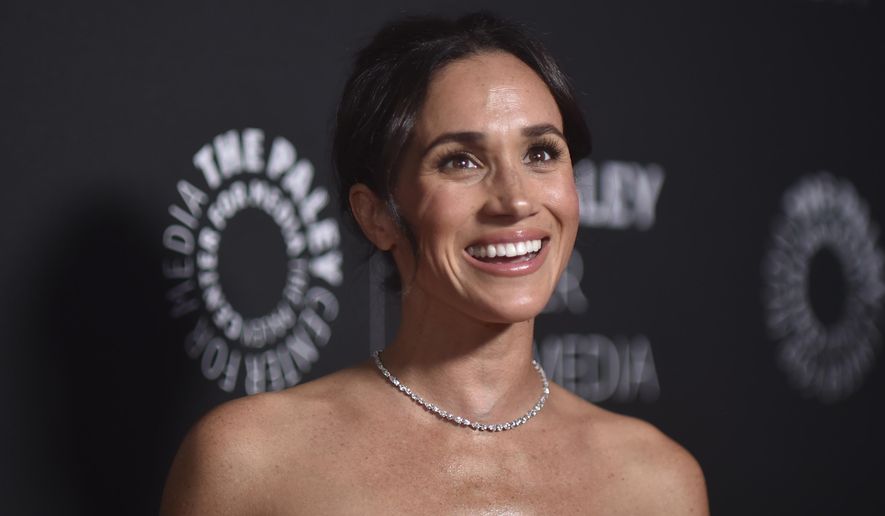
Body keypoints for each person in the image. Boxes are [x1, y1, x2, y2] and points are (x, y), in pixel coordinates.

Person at [161, 12, 708, 515]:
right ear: (375, 214)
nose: (515, 201)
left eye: (540, 152)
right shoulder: (247, 463)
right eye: (460, 161)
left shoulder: (659, 483)